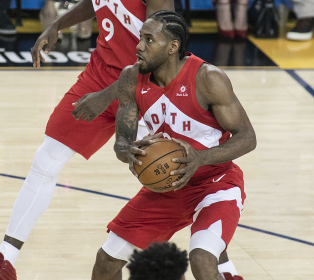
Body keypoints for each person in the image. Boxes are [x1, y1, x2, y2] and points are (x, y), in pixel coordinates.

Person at [0, 1, 175, 280]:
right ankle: (3, 266)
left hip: (148, 84)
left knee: (177, 177)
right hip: (101, 73)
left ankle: (220, 265)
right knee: (45, 161)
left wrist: (109, 96)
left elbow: (166, 51)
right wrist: (57, 23)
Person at [90, 10, 255, 280]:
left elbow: (247, 137)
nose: (139, 46)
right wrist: (127, 151)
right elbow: (122, 140)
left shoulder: (208, 79)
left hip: (215, 184)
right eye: (140, 38)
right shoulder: (131, 78)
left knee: (202, 259)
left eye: (149, 40)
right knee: (106, 261)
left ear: (172, 47)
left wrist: (199, 159)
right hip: (167, 186)